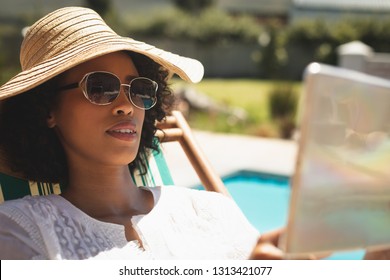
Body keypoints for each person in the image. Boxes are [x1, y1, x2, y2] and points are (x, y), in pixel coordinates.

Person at [0, 6, 285, 260]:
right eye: (100, 87)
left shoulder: (207, 210)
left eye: (139, 90)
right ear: (48, 108)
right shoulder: (22, 229)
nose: (127, 106)